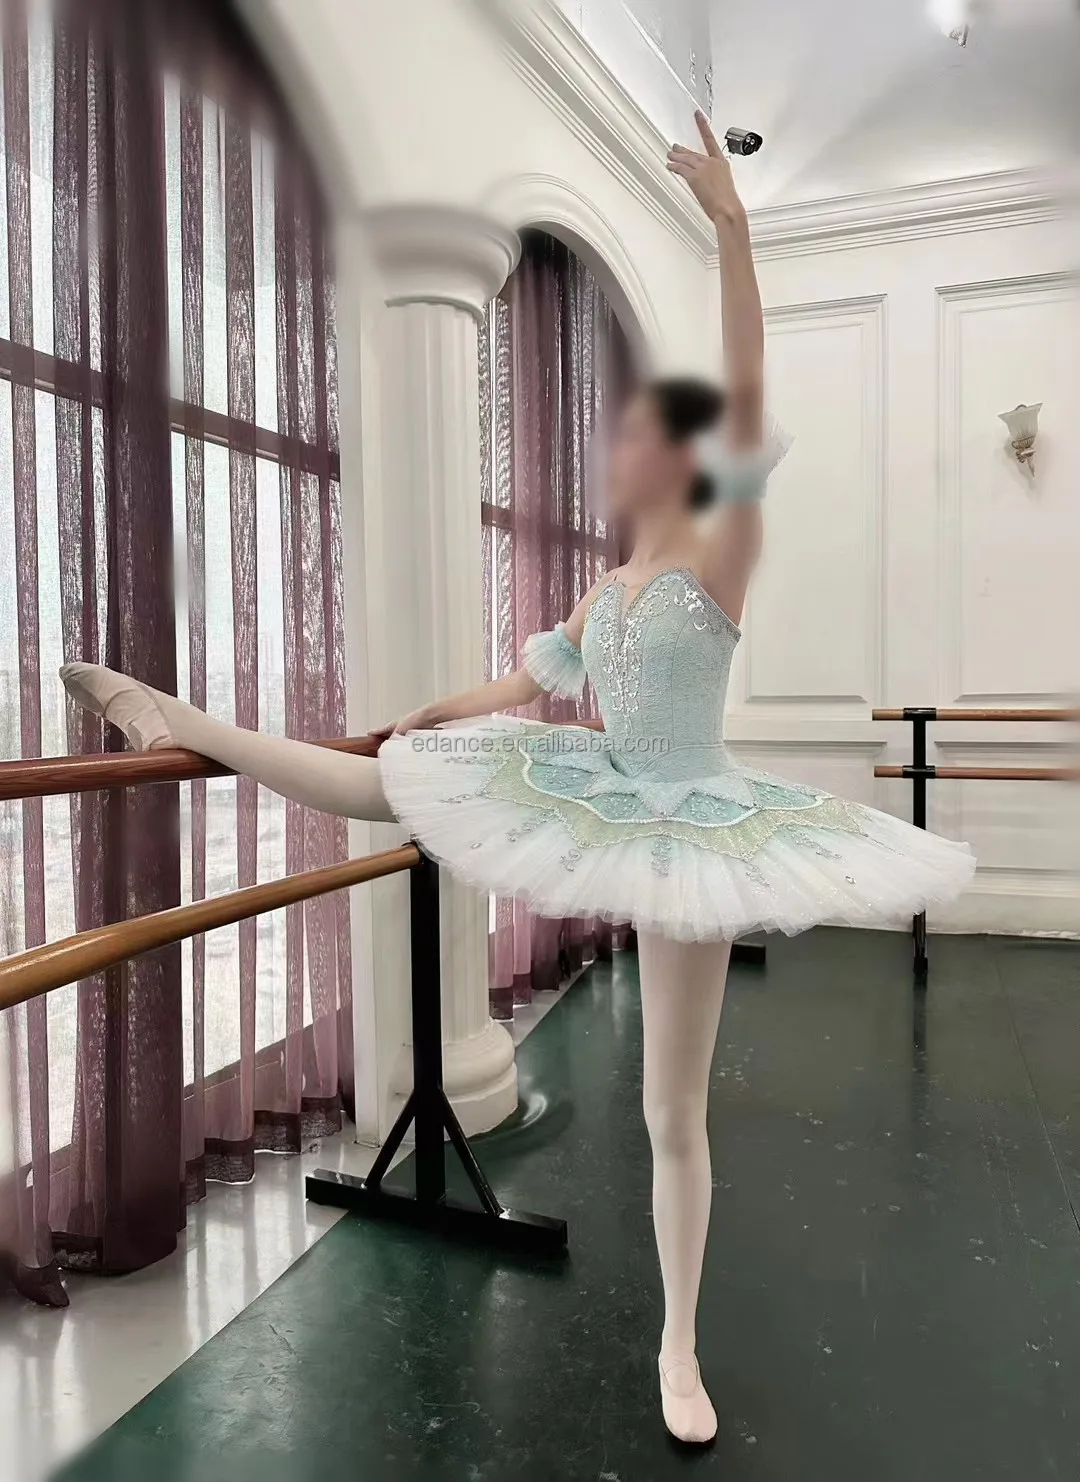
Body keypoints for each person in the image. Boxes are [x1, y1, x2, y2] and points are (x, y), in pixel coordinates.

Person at [59, 112, 974, 1445]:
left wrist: (731, 225)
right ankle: (180, 718)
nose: (632, 450)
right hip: (599, 779)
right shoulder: (605, 585)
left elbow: (748, 379)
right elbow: (528, 679)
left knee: (671, 1108)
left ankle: (679, 1344)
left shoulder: (720, 548)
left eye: (654, 434)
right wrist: (433, 713)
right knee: (390, 783)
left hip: (693, 818)